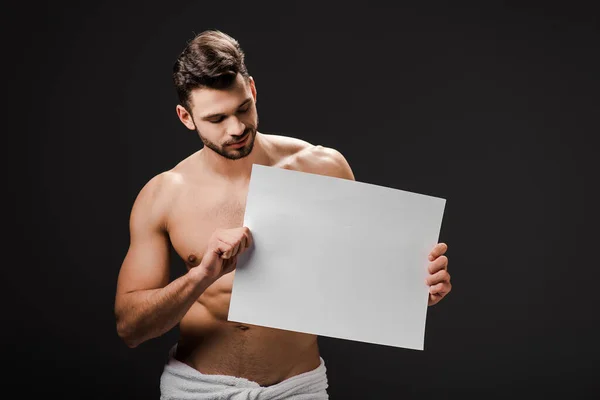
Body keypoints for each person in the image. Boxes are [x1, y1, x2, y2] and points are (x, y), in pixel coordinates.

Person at [114, 30, 452, 399]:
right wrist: (202, 275)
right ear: (186, 117)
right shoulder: (163, 196)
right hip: (198, 390)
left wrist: (417, 290)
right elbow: (131, 328)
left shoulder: (323, 168)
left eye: (243, 108)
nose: (237, 128)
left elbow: (361, 279)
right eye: (217, 118)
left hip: (297, 389)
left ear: (253, 91)